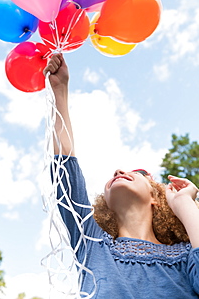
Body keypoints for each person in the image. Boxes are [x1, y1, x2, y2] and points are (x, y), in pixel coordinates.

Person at [43, 53, 199, 299]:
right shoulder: (92, 243)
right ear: (105, 205)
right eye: (112, 178)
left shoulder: (185, 256)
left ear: (155, 196)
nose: (118, 172)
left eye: (136, 173)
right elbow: (65, 167)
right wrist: (60, 89)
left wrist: (185, 205)